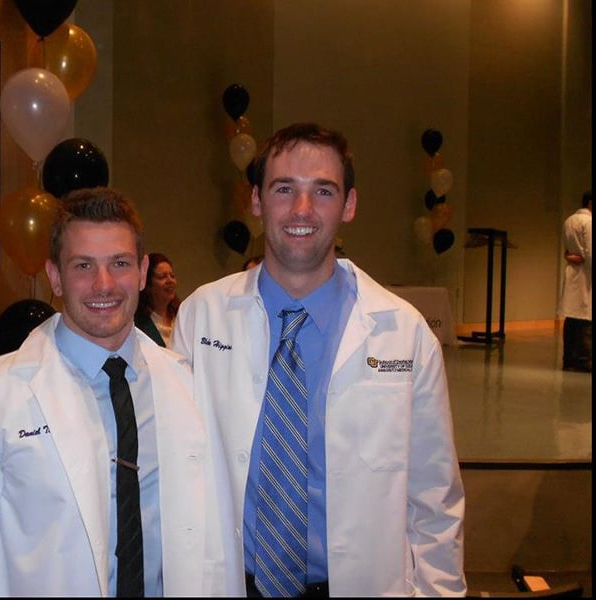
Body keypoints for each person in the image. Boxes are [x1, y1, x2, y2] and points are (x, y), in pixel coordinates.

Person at [171, 122, 466, 597]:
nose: (301, 209)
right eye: (284, 188)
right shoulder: (201, 319)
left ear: (349, 205)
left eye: (323, 191)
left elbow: (435, 499)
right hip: (232, 582)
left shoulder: (405, 334)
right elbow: (177, 469)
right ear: (255, 201)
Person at [0, 187, 243, 596]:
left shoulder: (186, 383)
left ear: (141, 272)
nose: (103, 285)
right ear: (55, 275)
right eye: (83, 265)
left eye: (119, 263)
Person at [559, 190, 592, 372]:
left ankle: (569, 359)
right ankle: (585, 360)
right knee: (586, 319)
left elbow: (568, 250)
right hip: (586, 275)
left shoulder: (569, 220)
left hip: (573, 273)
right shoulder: (589, 222)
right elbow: (590, 252)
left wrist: (569, 256)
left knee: (571, 318)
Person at [134, 252, 180, 347]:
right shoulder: (138, 322)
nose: (170, 281)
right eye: (162, 277)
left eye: (172, 276)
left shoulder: (180, 315)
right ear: (148, 284)